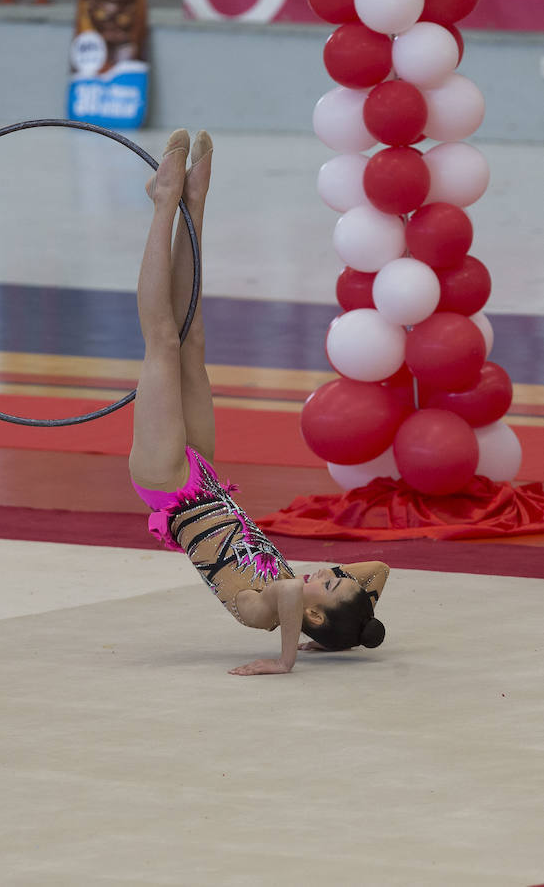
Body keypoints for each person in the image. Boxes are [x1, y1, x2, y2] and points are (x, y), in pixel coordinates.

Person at [129, 129, 389, 676]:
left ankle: (163, 205)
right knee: (192, 340)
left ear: (311, 612)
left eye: (330, 582)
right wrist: (355, 624)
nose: (331, 570)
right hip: (205, 477)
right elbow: (379, 568)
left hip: (170, 487)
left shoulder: (258, 611)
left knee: (162, 342)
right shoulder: (305, 597)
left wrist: (288, 658)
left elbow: (294, 595)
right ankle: (192, 203)